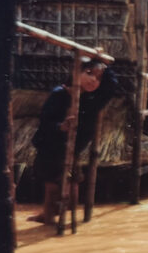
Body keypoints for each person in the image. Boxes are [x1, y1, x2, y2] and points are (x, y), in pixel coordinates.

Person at [29, 57, 117, 225]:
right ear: (76, 73)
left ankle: (64, 219)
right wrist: (61, 127)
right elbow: (46, 121)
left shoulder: (92, 99)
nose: (93, 80)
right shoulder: (60, 94)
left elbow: (111, 85)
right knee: (52, 185)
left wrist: (103, 63)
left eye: (98, 78)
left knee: (73, 182)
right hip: (51, 147)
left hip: (74, 148)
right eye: (89, 73)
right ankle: (48, 218)